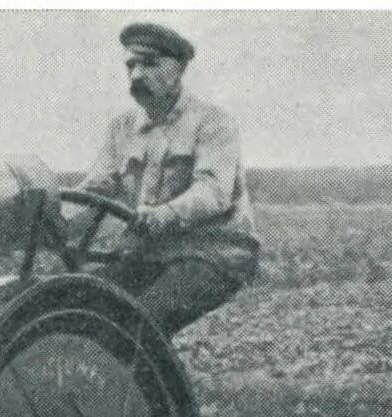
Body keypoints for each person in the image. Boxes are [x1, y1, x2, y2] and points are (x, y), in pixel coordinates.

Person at [74, 22, 259, 336]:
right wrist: (48, 218)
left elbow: (213, 192)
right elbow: (96, 191)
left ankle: (145, 381)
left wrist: (164, 214)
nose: (135, 76)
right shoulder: (121, 128)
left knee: (141, 324)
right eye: (131, 65)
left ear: (179, 69)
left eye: (149, 64)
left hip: (214, 253)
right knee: (78, 305)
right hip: (152, 254)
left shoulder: (214, 123)